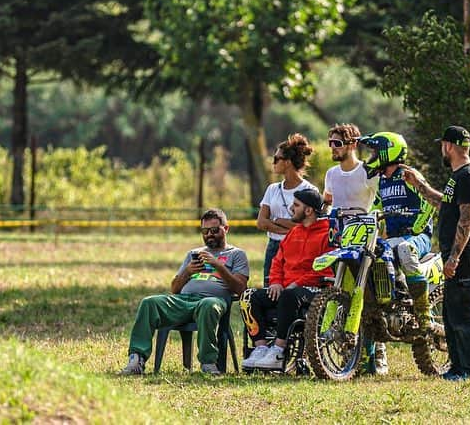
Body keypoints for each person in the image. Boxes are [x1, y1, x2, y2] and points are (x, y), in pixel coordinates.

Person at [403, 125, 470, 381]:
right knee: (451, 314)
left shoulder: (469, 176)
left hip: (465, 254)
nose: (442, 149)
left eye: (443, 145)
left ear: (449, 146)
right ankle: (458, 367)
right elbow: (446, 204)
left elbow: (467, 219)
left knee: (465, 312)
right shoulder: (458, 177)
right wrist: (420, 185)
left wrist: (454, 258)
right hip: (455, 255)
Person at [119, 208, 250, 376]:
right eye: (205, 231)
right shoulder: (193, 254)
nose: (210, 234)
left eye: (215, 230)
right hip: (184, 300)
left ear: (226, 229)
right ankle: (137, 359)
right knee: (149, 302)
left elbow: (241, 289)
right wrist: (187, 272)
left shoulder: (237, 254)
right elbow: (174, 289)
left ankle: (208, 362)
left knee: (207, 304)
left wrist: (219, 266)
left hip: (213, 301)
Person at [360, 131, 436, 374]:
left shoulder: (408, 175)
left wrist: (416, 228)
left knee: (404, 249)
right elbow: (378, 205)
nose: (371, 156)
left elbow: (427, 203)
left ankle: (423, 313)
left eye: (375, 151)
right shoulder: (382, 179)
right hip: (391, 238)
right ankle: (368, 359)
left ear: (388, 152)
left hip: (417, 238)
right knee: (369, 262)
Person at [241, 188, 332, 370]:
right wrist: (275, 281)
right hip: (285, 288)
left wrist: (297, 283)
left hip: (314, 289)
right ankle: (261, 349)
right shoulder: (293, 232)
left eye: (296, 205)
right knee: (248, 296)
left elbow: (326, 267)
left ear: (309, 211)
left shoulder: (327, 233)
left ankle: (279, 350)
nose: (291, 208)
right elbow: (277, 261)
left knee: (289, 296)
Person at [322, 122, 387, 374]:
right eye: (330, 144)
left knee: (371, 295)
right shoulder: (331, 174)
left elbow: (380, 203)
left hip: (366, 239)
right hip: (341, 239)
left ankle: (378, 350)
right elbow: (327, 201)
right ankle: (348, 349)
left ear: (352, 144)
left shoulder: (367, 172)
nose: (332, 148)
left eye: (337, 143)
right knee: (342, 292)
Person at [255, 133, 318, 284]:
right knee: (269, 289)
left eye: (277, 159)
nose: (273, 162)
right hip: (274, 247)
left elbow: (310, 226)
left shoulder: (309, 191)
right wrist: (287, 228)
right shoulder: (273, 189)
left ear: (288, 162)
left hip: (298, 247)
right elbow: (261, 222)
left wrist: (278, 221)